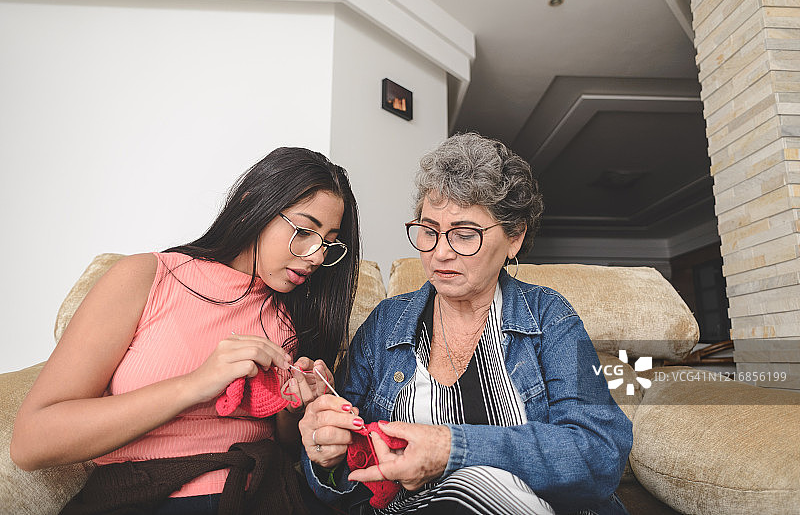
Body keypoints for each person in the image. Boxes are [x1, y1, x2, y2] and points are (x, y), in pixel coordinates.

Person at [11, 147, 360, 514]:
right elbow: (32, 441)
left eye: (329, 242)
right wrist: (195, 384)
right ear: (252, 204)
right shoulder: (147, 279)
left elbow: (288, 446)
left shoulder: (290, 317)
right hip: (142, 494)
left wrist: (295, 406)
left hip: (260, 494)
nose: (317, 257)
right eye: (304, 231)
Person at [298, 133, 633, 515]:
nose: (440, 252)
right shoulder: (384, 327)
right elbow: (343, 479)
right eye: (428, 231)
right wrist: (325, 456)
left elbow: (599, 455)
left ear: (514, 237)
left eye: (464, 234)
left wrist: (451, 449)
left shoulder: (549, 317)